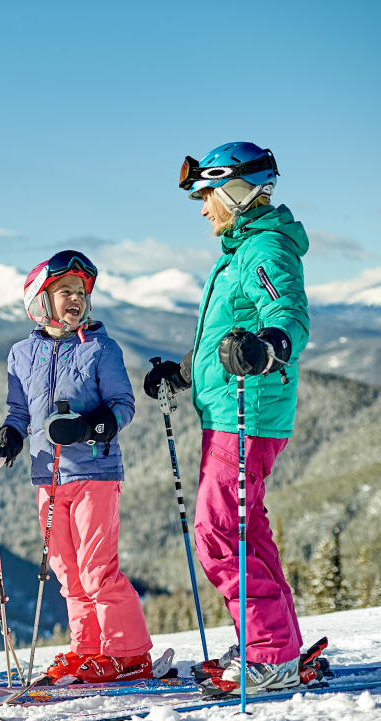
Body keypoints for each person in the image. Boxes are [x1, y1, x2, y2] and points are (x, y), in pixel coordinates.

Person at [143, 141, 309, 692]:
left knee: (217, 533)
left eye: (207, 195)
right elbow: (227, 334)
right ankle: (275, 643)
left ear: (236, 192)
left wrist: (270, 346)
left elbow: (286, 315)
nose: (202, 208)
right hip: (228, 412)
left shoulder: (265, 250)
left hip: (248, 415)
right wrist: (185, 373)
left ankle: (268, 654)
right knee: (246, 531)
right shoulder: (237, 253)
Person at [0, 251, 153, 684]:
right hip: (47, 477)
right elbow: (18, 413)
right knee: (67, 573)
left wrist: (89, 426)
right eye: (65, 292)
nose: (76, 299)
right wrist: (8, 438)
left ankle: (127, 653)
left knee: (98, 568)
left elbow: (123, 406)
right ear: (40, 299)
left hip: (94, 474)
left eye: (81, 292)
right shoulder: (21, 353)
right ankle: (88, 650)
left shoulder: (101, 348)